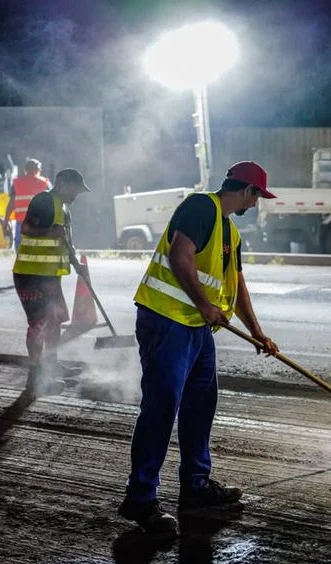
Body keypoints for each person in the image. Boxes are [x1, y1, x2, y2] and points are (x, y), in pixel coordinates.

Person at [119, 161, 280, 533]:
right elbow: (180, 256)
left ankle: (195, 484)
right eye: (257, 196)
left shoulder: (231, 232)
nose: (256, 204)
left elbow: (236, 284)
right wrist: (205, 306)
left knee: (201, 403)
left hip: (196, 328)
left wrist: (257, 332)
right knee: (161, 407)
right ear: (247, 191)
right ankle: (140, 499)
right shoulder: (201, 206)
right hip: (167, 320)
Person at [12, 168, 91, 395]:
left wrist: (77, 265)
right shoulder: (44, 200)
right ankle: (35, 379)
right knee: (39, 325)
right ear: (64, 185)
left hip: (49, 276)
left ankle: (52, 365)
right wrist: (49, 233)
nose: (77, 195)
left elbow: (65, 242)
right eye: (76, 189)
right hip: (31, 275)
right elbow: (26, 228)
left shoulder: (64, 208)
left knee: (55, 320)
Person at [7, 158, 51, 249]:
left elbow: (11, 203)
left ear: (25, 170)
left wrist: (6, 220)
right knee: (38, 247)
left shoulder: (17, 183)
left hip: (21, 221)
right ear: (37, 170)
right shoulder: (44, 183)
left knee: (20, 247)